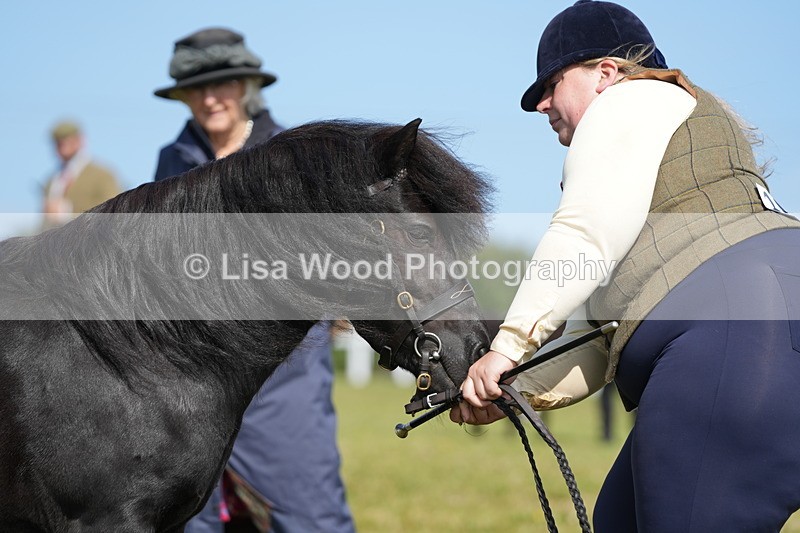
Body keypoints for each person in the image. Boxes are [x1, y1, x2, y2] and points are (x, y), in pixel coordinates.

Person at [451, 1, 800, 531]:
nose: (541, 103)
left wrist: (506, 348)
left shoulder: (630, 100)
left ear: (607, 73)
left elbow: (582, 235)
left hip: (736, 338)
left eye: (552, 82)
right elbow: (598, 332)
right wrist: (510, 390)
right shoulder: (682, 137)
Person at [153, 28, 354, 533]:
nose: (210, 98)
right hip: (189, 382)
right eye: (197, 88)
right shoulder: (171, 161)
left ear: (246, 86)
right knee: (189, 519)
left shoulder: (289, 158)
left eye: (223, 84)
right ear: (182, 94)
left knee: (310, 513)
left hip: (284, 377)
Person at [42, 120, 120, 228]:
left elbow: (112, 213)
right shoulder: (52, 181)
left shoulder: (102, 175)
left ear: (79, 140)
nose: (62, 148)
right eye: (59, 143)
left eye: (66, 142)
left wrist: (66, 213)